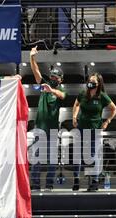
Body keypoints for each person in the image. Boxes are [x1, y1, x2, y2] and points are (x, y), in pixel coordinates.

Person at [72, 72, 116, 191]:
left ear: (98, 84)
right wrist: (74, 116)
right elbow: (76, 104)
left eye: (93, 82)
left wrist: (107, 121)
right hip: (81, 128)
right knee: (77, 155)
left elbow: (114, 109)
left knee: (93, 156)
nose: (90, 83)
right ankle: (76, 179)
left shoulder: (102, 96)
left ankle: (95, 182)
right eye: (89, 81)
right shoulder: (82, 93)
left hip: (95, 130)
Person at [29, 46, 67, 191]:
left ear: (60, 79)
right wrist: (32, 57)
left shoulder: (61, 90)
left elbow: (62, 96)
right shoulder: (44, 85)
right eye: (51, 76)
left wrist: (52, 90)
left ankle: (49, 185)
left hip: (52, 129)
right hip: (39, 127)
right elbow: (36, 72)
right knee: (36, 157)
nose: (52, 78)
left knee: (52, 159)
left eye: (55, 77)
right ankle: (35, 185)